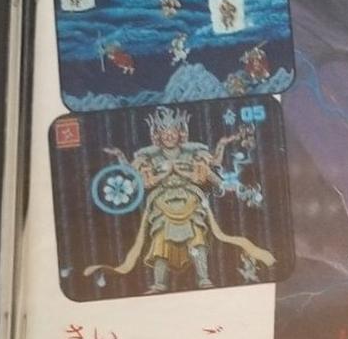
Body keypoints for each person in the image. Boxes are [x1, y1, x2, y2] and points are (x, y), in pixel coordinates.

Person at [85, 106, 275, 292]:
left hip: (189, 201)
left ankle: (204, 278)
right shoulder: (148, 157)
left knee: (197, 240)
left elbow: (213, 167)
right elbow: (133, 175)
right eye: (164, 133)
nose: (169, 136)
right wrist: (121, 156)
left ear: (180, 134)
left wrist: (222, 145)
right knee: (160, 243)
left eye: (172, 132)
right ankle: (159, 284)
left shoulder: (194, 153)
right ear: (157, 135)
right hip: (162, 203)